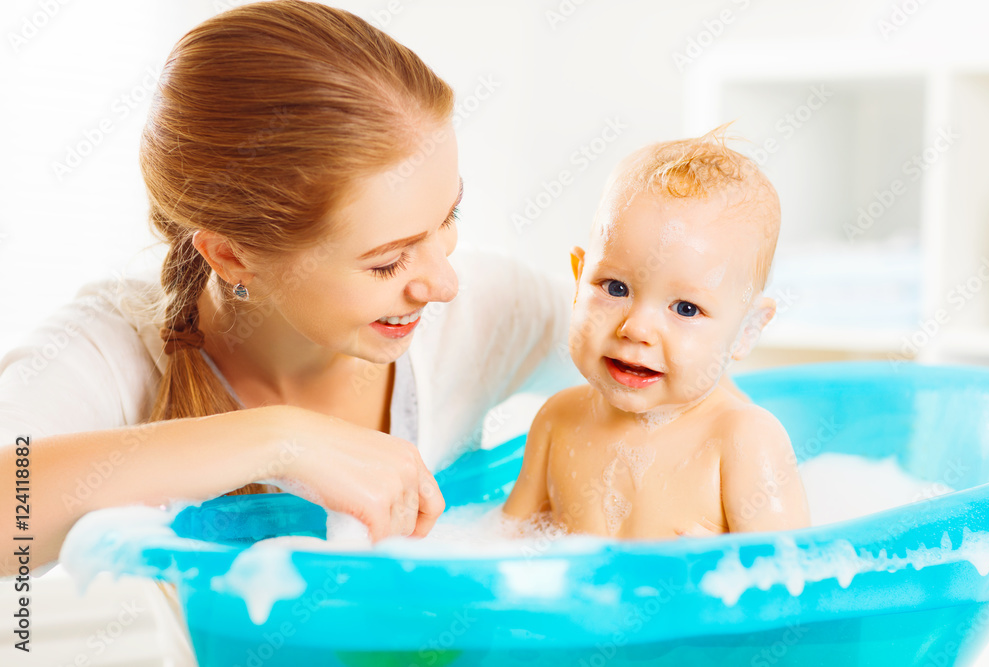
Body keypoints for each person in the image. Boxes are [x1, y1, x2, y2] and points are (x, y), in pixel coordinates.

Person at [0, 0, 578, 578]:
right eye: (386, 263)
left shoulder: (485, 315)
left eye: (450, 216)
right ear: (231, 255)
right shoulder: (114, 352)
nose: (444, 284)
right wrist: (277, 439)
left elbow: (654, 356)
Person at [503, 128, 811, 538]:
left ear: (746, 329)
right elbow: (501, 545)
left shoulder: (741, 441)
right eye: (615, 288)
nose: (636, 329)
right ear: (578, 285)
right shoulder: (557, 421)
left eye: (686, 308)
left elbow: (786, 582)